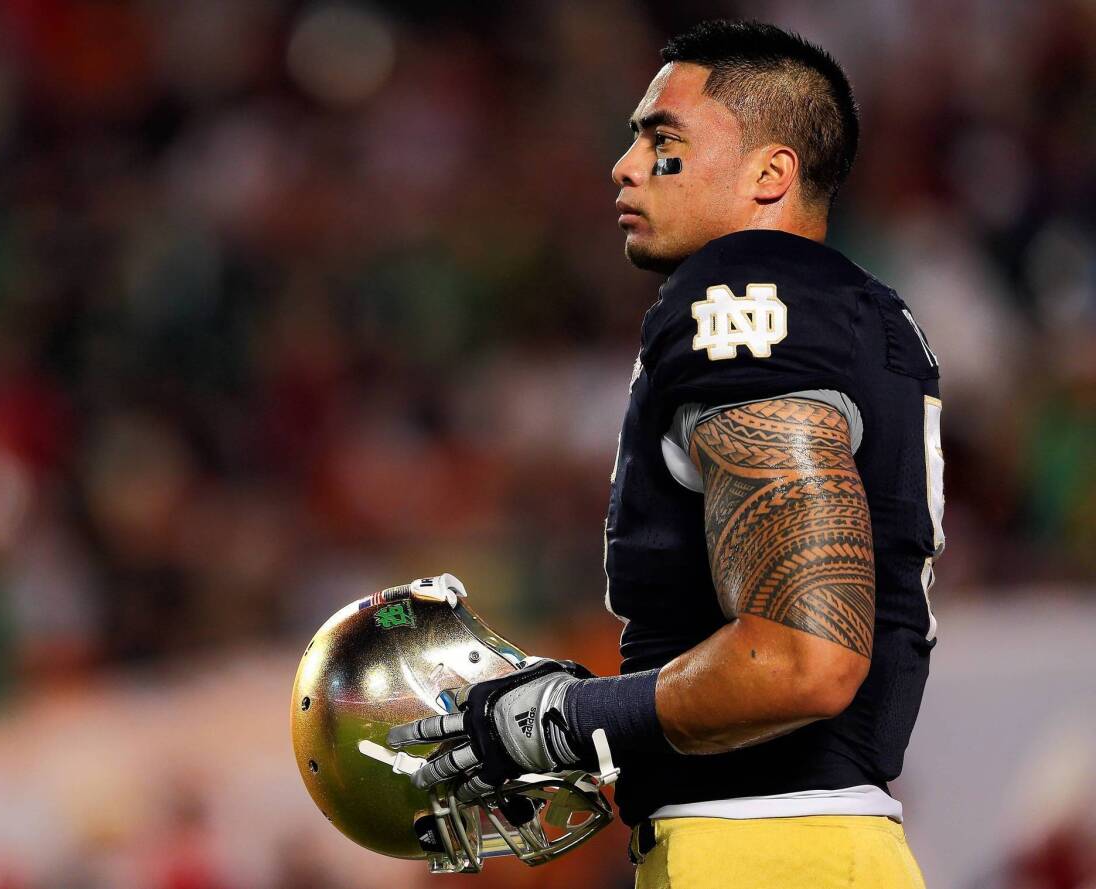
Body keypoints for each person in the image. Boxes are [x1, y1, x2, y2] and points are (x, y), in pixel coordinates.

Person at [390, 19, 943, 888]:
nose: (626, 163)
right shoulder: (852, 310)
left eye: (663, 138)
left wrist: (564, 718)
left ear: (771, 173)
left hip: (759, 851)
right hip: (803, 845)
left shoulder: (742, 298)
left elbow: (803, 656)